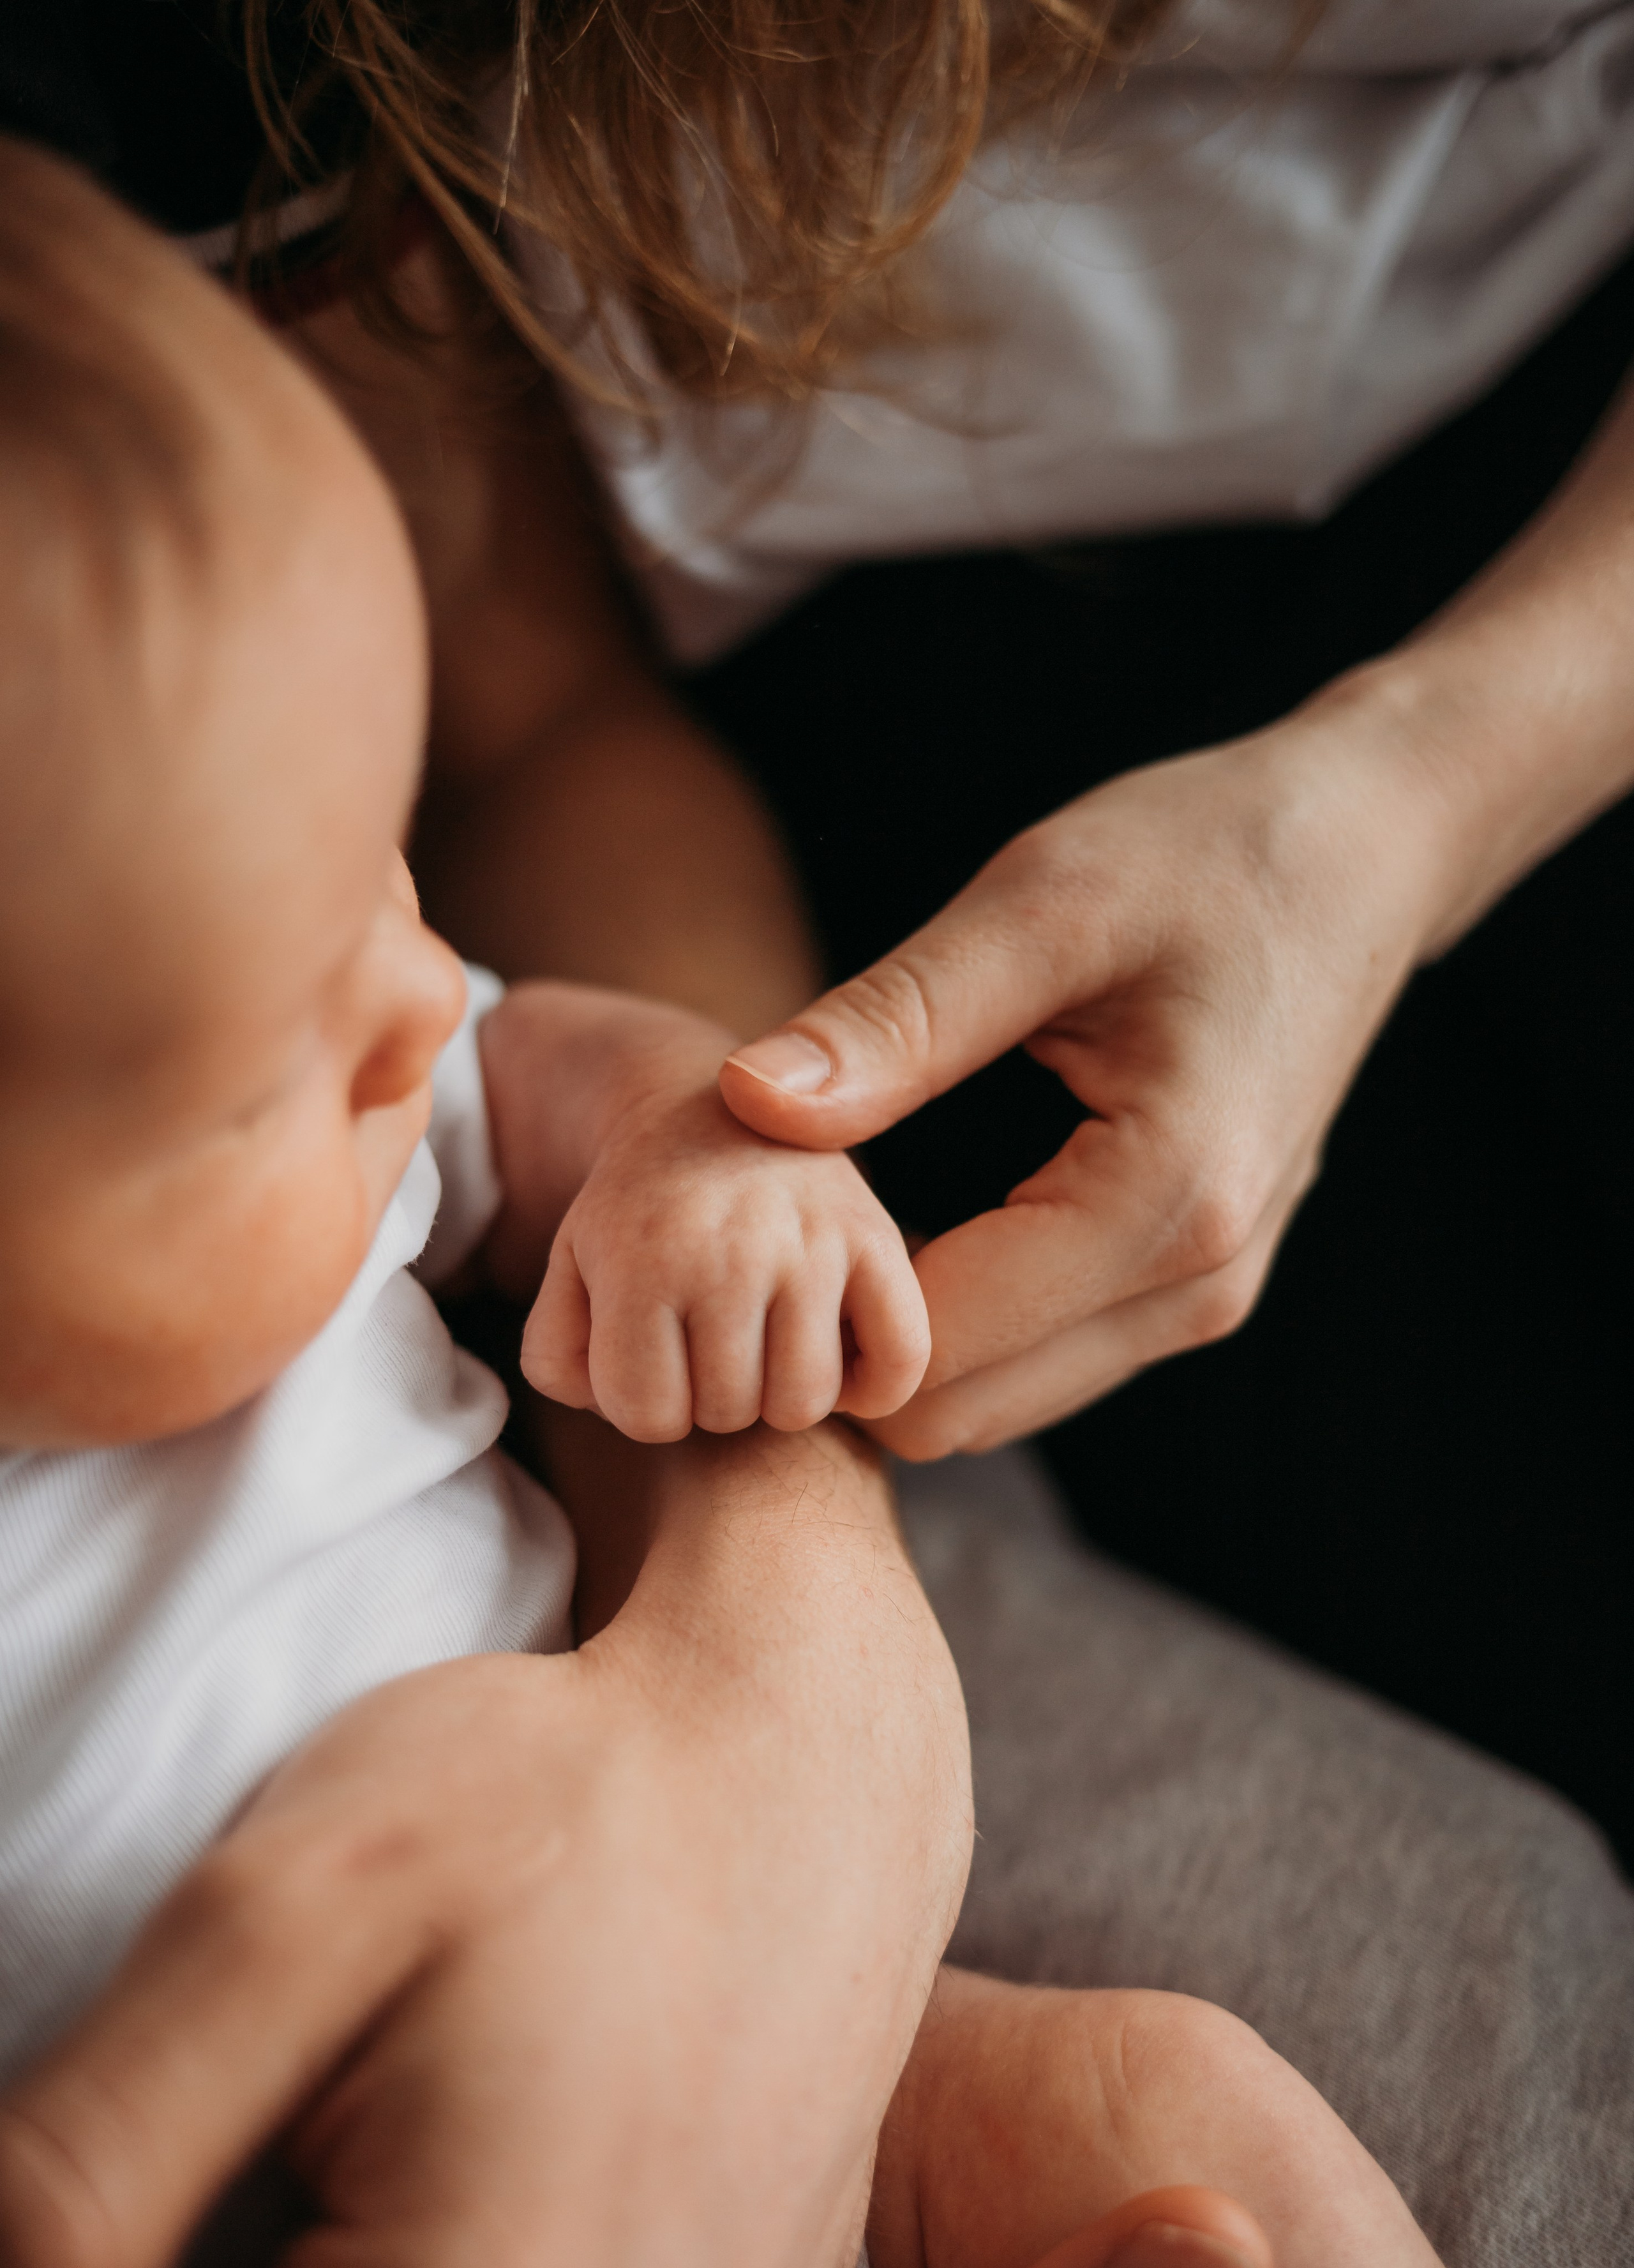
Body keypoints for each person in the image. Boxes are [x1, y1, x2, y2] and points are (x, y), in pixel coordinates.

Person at [0, 142, 1446, 2268]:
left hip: (739, 1992)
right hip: (296, 2171)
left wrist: (705, 1155)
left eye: (382, 864)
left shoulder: (353, 1035)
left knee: (1178, 2117)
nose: (422, 992)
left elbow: (543, 1066)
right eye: (257, 1069)